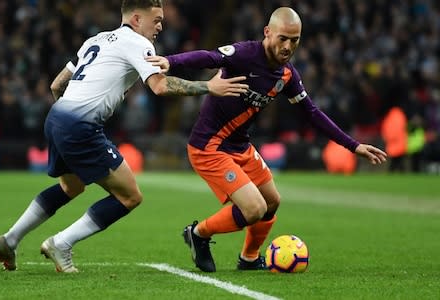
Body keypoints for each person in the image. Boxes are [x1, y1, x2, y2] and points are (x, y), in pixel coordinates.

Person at [0, 0, 248, 273]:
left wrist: (69, 112)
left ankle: (10, 239)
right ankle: (61, 243)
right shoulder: (138, 43)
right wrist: (210, 87)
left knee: (71, 187)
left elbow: (57, 84)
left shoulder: (95, 39)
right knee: (130, 196)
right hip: (80, 127)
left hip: (56, 117)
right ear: (136, 19)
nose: (160, 25)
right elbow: (160, 87)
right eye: (156, 19)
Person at [147, 7, 387, 272]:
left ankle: (249, 259)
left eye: (294, 40)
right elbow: (210, 56)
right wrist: (171, 61)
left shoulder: (287, 75)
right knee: (254, 209)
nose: (288, 46)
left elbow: (312, 113)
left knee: (272, 202)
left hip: (240, 146)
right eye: (282, 38)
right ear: (267, 32)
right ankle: (198, 233)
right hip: (209, 146)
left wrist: (354, 145)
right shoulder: (246, 54)